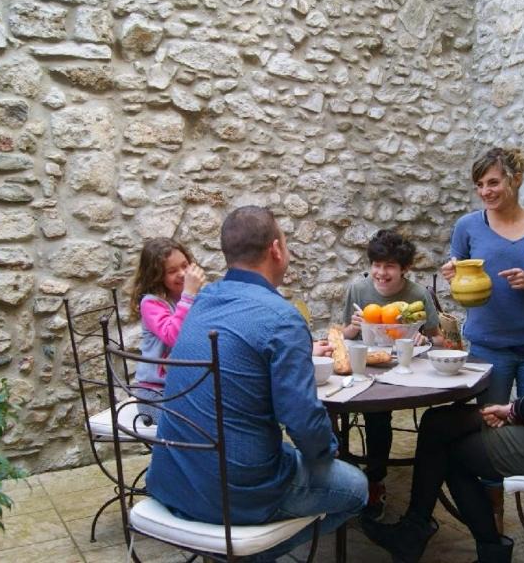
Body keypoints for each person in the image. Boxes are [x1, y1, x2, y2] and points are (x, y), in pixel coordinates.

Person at [362, 204, 524, 563]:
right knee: (439, 422)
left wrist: (515, 409)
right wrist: (516, 410)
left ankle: (470, 543)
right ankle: (422, 530)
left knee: (455, 452)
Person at [146, 206, 367, 562]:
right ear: (276, 250)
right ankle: (245, 557)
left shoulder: (201, 301)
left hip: (172, 476)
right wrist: (326, 450)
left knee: (284, 454)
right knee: (356, 488)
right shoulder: (281, 316)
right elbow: (302, 420)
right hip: (236, 490)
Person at [440, 147, 524, 540]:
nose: (486, 191)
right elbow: (458, 274)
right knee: (490, 428)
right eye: (479, 185)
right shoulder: (468, 226)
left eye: (493, 182)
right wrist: (450, 273)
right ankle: (493, 510)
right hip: (488, 345)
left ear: (515, 179)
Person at [339, 229, 441, 519]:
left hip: (402, 371)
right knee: (345, 409)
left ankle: (374, 478)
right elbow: (343, 334)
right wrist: (354, 327)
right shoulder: (358, 289)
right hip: (365, 367)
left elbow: (438, 340)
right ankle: (347, 470)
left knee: (378, 412)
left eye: (390, 267)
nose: (381, 273)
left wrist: (423, 339)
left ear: (404, 269)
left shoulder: (418, 294)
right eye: (377, 265)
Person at [127, 237, 205, 424]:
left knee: (215, 416)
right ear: (157, 276)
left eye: (185, 265)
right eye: (172, 271)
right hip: (154, 394)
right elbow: (174, 337)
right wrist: (188, 295)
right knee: (185, 425)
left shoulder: (195, 297)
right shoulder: (152, 303)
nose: (182, 273)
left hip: (184, 388)